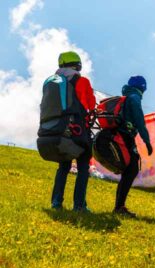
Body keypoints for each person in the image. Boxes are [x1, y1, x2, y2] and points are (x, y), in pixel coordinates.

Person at [51, 51, 96, 211]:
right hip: (78, 130)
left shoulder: (55, 82)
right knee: (83, 167)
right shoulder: (82, 81)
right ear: (77, 65)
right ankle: (79, 205)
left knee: (63, 167)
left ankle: (56, 202)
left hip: (60, 129)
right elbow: (91, 105)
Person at [113, 75, 153, 217]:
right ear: (142, 87)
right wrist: (147, 141)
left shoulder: (127, 95)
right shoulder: (135, 97)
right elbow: (139, 121)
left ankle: (119, 206)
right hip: (126, 136)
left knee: (129, 171)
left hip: (121, 135)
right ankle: (119, 207)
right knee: (132, 170)